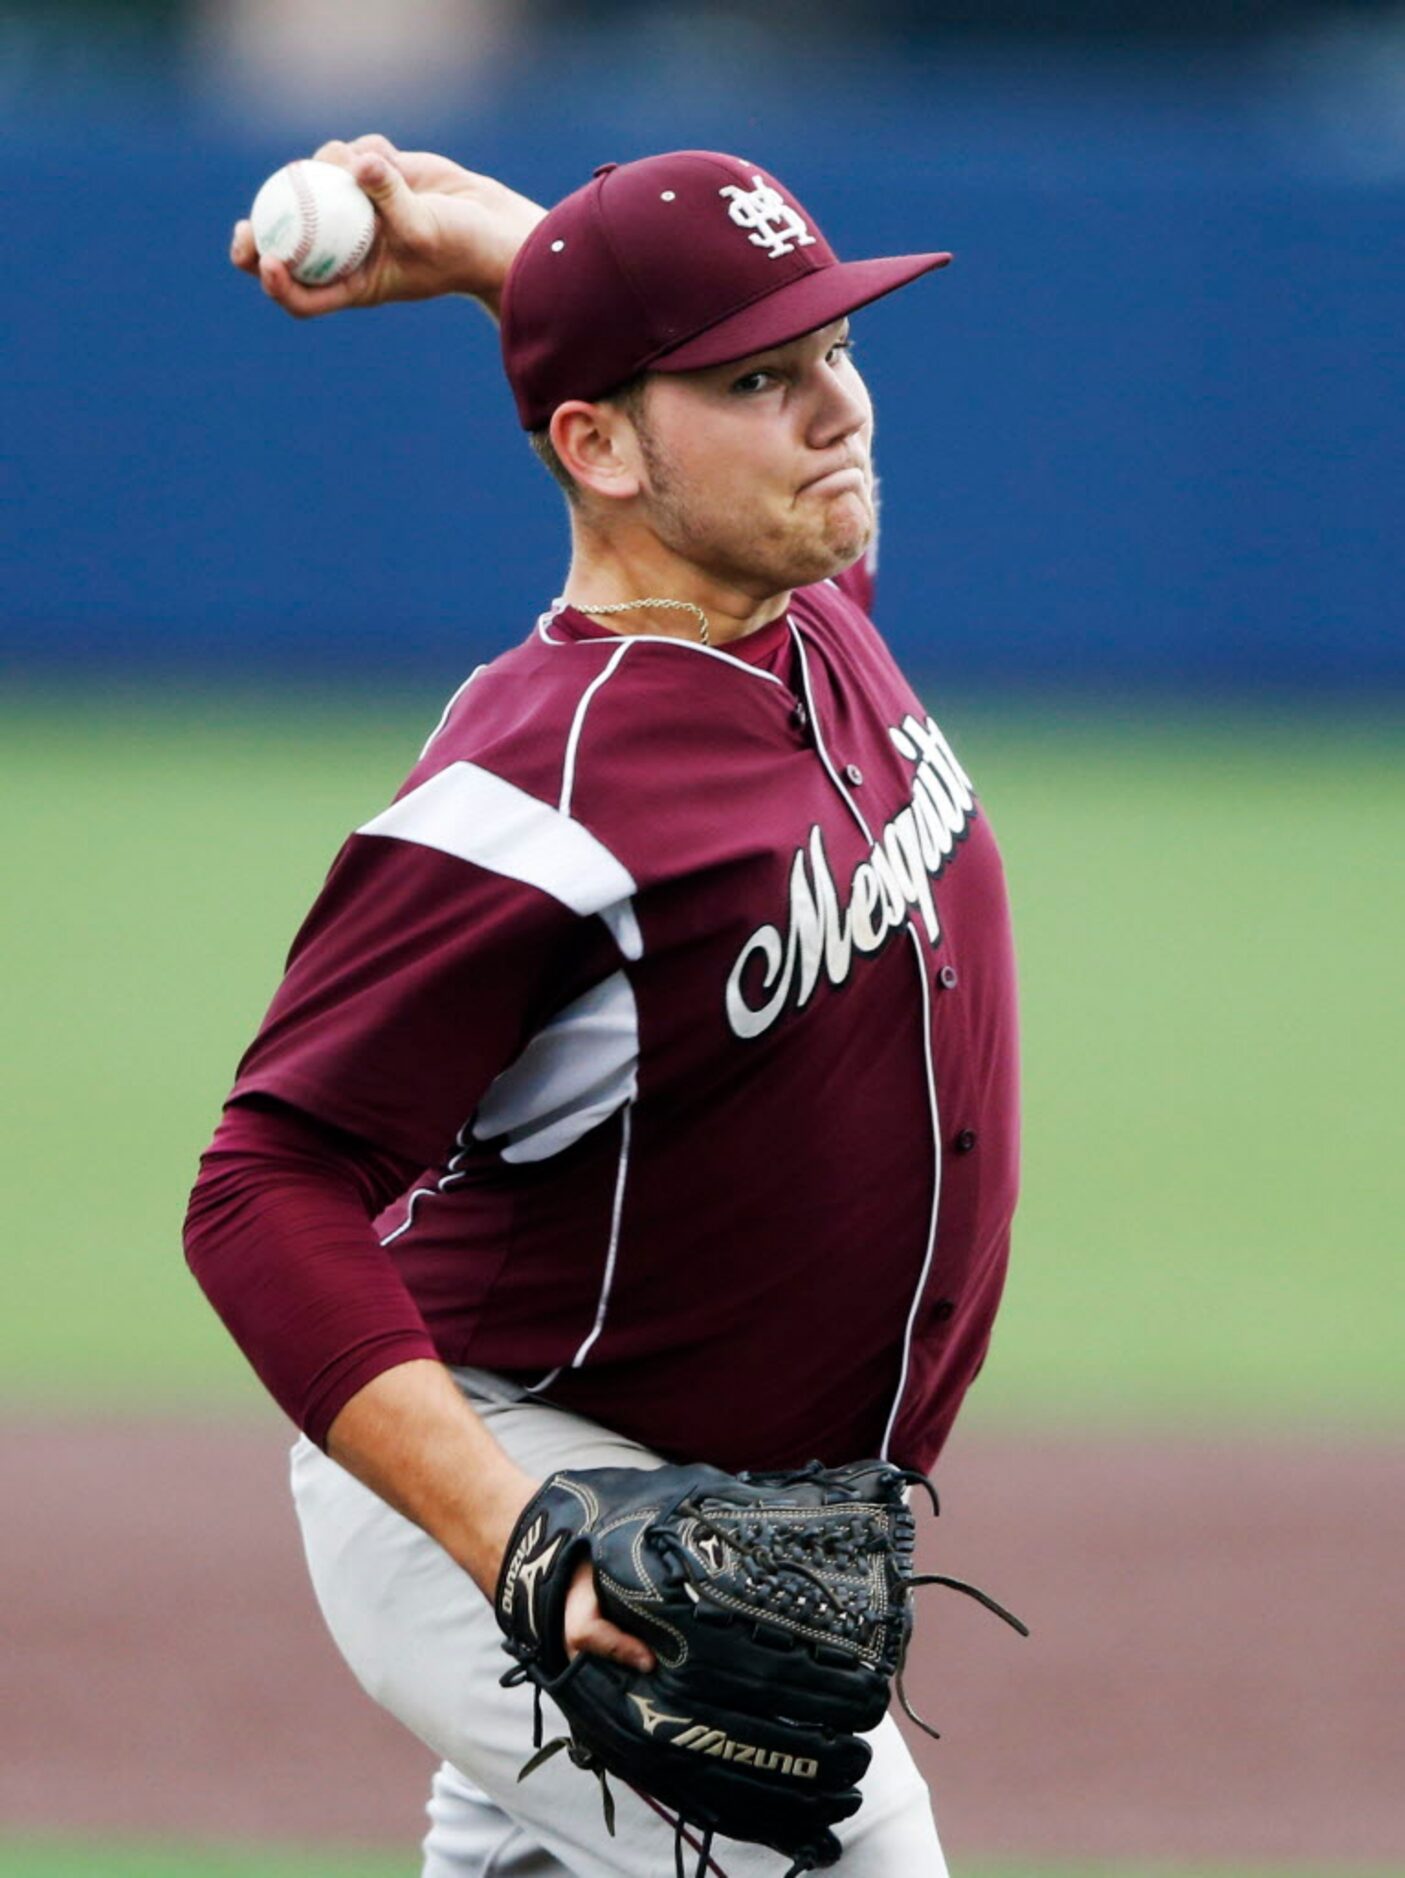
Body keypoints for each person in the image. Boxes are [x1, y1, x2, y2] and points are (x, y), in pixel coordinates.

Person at [187, 137, 1019, 1878]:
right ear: (600, 445)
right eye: (757, 378)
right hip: (513, 1476)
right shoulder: (527, 791)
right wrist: (524, 1540)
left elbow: (660, 403)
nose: (834, 411)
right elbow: (262, 1186)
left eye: (834, 354)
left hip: (711, 1505)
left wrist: (507, 248)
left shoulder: (800, 621)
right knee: (845, 1843)